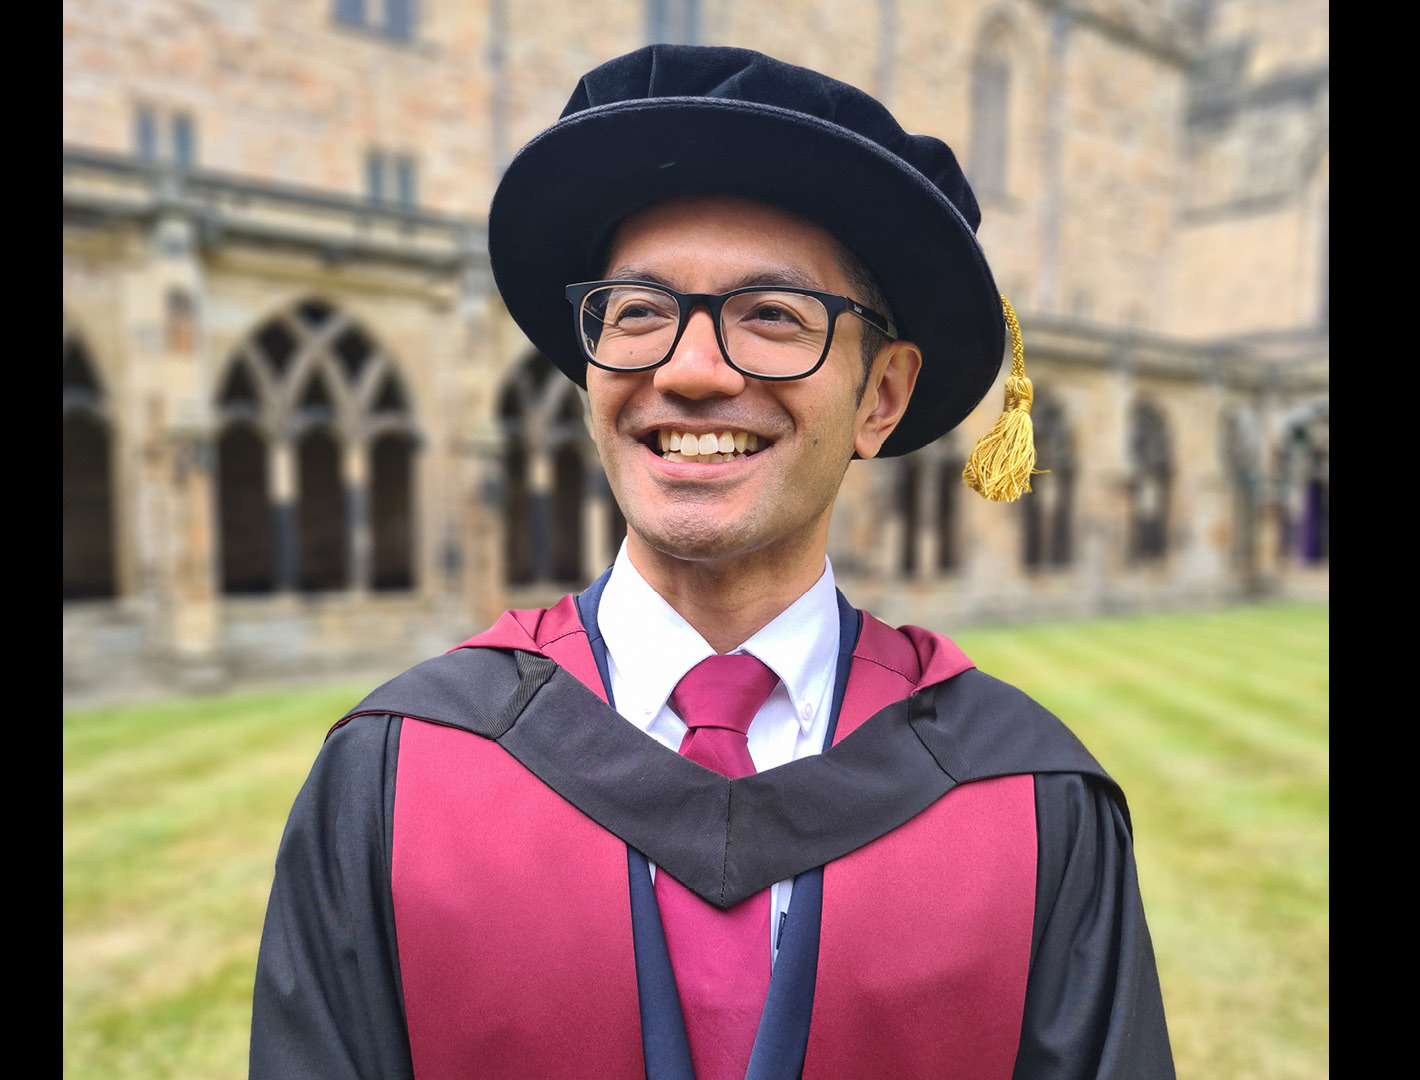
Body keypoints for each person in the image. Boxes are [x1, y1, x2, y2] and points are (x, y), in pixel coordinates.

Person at [250, 45, 1175, 1080]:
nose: (690, 371)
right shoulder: (392, 776)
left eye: (774, 317)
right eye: (638, 312)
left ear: (881, 397)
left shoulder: (1031, 804)